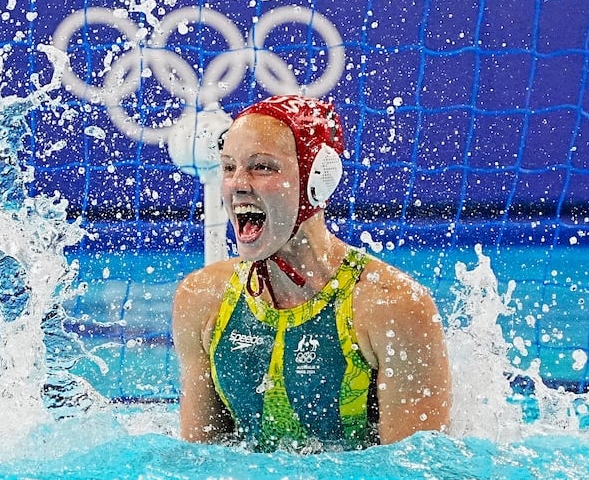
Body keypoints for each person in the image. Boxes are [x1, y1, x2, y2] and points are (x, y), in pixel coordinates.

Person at [172, 95, 451, 453]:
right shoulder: (202, 298)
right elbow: (199, 462)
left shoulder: (392, 307)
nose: (238, 184)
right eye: (228, 167)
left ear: (318, 178)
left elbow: (418, 471)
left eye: (262, 167)